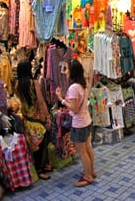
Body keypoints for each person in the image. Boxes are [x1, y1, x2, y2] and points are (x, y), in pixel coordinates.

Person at [55, 59, 96, 187]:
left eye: (67, 69)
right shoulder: (82, 84)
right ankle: (90, 170)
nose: (65, 72)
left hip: (79, 123)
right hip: (86, 120)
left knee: (82, 151)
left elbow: (74, 108)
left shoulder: (73, 88)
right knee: (87, 148)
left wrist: (61, 99)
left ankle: (88, 176)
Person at [15, 60, 52, 180]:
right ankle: (40, 169)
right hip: (37, 119)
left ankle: (43, 165)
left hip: (26, 119)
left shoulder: (17, 85)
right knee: (42, 142)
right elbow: (41, 101)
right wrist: (47, 116)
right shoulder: (34, 83)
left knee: (34, 145)